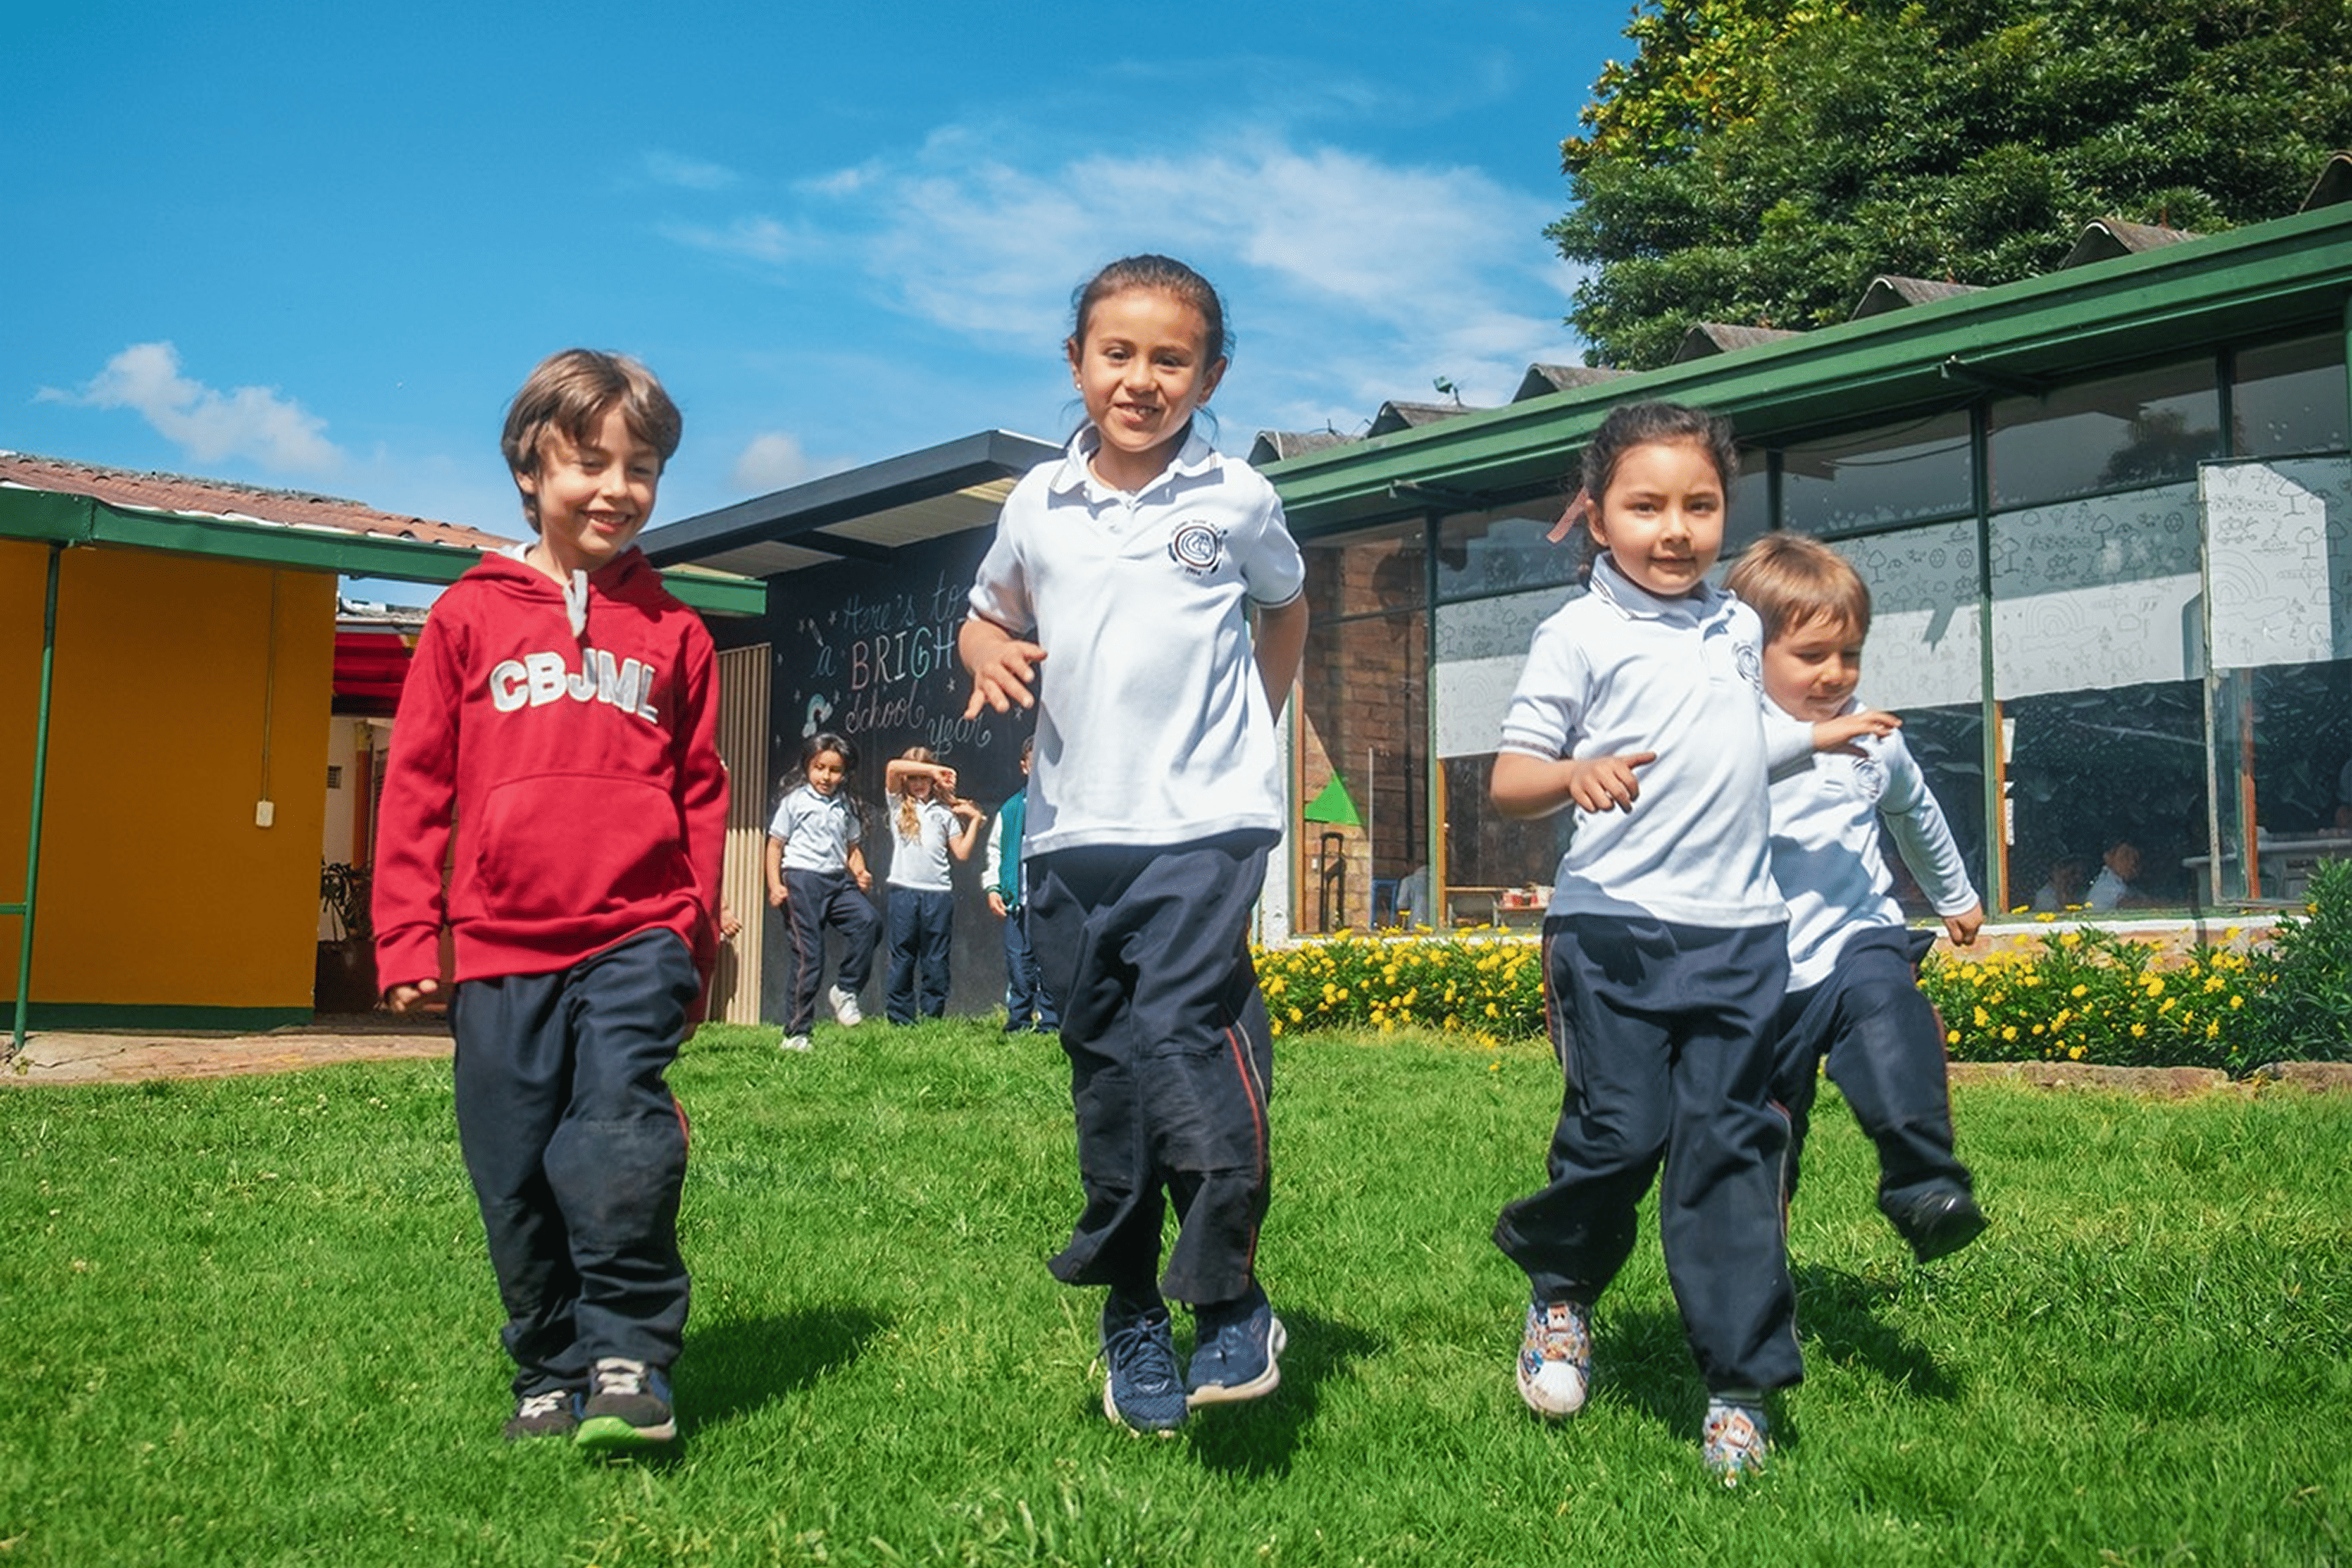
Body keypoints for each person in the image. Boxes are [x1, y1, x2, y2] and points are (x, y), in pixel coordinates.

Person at [1486, 401, 1893, 1484]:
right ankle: (1562, 1297)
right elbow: (1512, 778)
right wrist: (1577, 774)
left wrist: (1817, 736)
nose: (1675, 529)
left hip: (1742, 938)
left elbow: (1734, 741)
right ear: (1598, 513)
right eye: (1647, 506)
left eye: (1699, 505)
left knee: (1729, 1157)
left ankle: (1739, 1388)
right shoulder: (1578, 633)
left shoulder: (1735, 627)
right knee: (1620, 1135)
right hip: (1612, 932)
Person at [960, 254, 1311, 1436]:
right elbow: (988, 612)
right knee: (1108, 1072)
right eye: (1119, 353)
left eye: (1172, 360)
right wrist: (983, 655)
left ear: (1211, 373)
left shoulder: (1239, 501)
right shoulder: (1033, 506)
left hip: (1205, 828)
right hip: (1069, 838)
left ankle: (1227, 1300)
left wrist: (1250, 732)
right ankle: (1129, 1319)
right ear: (1077, 362)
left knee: (1182, 1037)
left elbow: (1288, 607)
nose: (1143, 380)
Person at [371, 348, 725, 1452]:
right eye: (592, 463)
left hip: (635, 934)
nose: (618, 488)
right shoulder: (467, 620)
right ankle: (546, 1362)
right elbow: (418, 783)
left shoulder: (679, 635)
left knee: (619, 1133)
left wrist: (694, 945)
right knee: (515, 1168)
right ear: (531, 467)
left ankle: (628, 1355)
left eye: (645, 467)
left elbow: (703, 794)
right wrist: (402, 935)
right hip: (498, 945)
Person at [1724, 532, 1990, 1263]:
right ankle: (1754, 1280)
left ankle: (1922, 1180)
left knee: (1891, 1011)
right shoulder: (1730, 732)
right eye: (1811, 657)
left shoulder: (1875, 734)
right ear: (1751, 655)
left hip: (1854, 941)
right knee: (1761, 1135)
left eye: (1850, 655)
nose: (1835, 674)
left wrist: (1953, 893)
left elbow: (1914, 809)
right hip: (1755, 975)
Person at [765, 732, 881, 1051]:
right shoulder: (795, 802)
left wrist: (860, 870)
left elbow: (852, 848)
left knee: (868, 922)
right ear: (807, 767)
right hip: (802, 880)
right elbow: (775, 846)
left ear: (844, 774)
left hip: (836, 881)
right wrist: (775, 885)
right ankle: (797, 1033)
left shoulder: (845, 805)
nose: (826, 777)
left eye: (834, 770)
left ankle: (845, 989)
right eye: (819, 768)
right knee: (809, 955)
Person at [880, 746, 985, 1024]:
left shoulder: (944, 812)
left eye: (923, 778)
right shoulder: (899, 806)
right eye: (913, 778)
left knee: (935, 958)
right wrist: (931, 769)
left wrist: (973, 820)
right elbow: (892, 767)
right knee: (902, 956)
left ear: (932, 782)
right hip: (904, 890)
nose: (918, 784)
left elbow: (961, 853)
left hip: (938, 894)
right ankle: (900, 1018)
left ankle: (932, 1016)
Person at [985, 735, 1059, 1034]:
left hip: (1048, 901)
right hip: (1018, 902)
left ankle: (1051, 1020)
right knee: (1019, 962)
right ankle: (1019, 1019)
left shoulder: (1060, 807)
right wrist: (993, 888)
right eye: (1033, 763)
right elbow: (995, 851)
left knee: (1050, 961)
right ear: (1024, 766)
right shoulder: (1011, 809)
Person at [2087, 841, 2140, 910]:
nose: (2132, 862)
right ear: (2108, 858)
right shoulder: (2105, 884)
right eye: (2126, 856)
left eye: (2135, 857)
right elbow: (2126, 904)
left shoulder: (2126, 884)